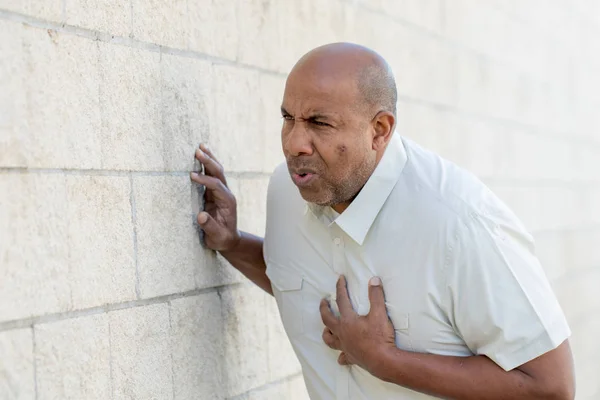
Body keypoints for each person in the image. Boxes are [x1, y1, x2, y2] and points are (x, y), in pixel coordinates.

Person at [189, 43, 575, 399]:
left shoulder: (461, 224)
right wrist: (234, 244)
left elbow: (551, 386)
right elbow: (298, 278)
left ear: (380, 130)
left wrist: (385, 361)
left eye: (319, 123)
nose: (294, 144)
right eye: (288, 118)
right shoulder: (288, 190)